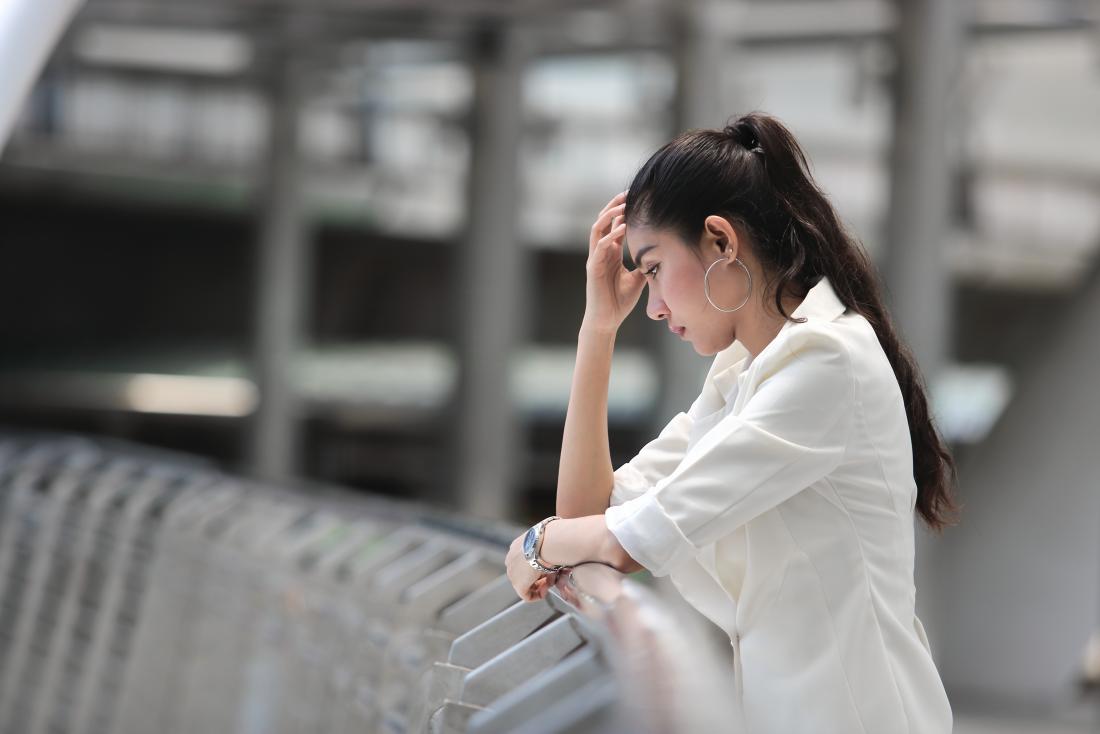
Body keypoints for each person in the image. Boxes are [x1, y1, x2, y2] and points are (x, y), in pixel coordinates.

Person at [504, 110, 960, 733]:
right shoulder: (742, 376)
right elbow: (594, 515)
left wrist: (535, 545)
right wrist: (599, 327)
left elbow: (625, 541)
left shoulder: (826, 362)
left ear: (720, 241)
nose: (655, 306)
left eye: (655, 267)